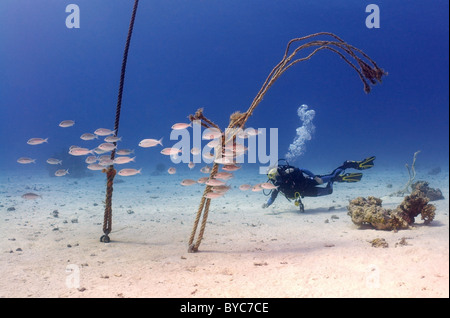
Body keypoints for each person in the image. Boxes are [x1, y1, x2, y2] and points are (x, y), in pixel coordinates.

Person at [262, 156, 376, 212]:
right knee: (329, 191)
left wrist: (315, 177)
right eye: (273, 178)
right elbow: (273, 197)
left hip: (310, 180)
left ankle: (349, 164)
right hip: (306, 192)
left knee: (331, 175)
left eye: (276, 177)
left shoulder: (288, 173)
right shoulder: (276, 185)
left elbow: (302, 169)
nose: (276, 180)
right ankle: (341, 178)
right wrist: (267, 204)